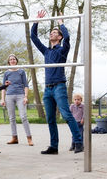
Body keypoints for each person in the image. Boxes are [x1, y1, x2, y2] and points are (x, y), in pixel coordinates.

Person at [30, 10, 83, 154]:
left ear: (59, 37)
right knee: (50, 119)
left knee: (66, 115)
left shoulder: (62, 50)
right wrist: (36, 21)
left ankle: (78, 142)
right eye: (51, 32)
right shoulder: (46, 51)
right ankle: (54, 147)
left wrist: (61, 23)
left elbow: (68, 38)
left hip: (59, 86)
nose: (51, 34)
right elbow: (33, 37)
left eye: (54, 32)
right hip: (47, 89)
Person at [1, 54, 33, 146]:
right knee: (12, 118)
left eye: (14, 59)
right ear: (9, 62)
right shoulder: (6, 73)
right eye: (10, 59)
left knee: (23, 116)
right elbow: (3, 87)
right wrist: (2, 99)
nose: (12, 60)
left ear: (16, 61)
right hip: (9, 96)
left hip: (20, 95)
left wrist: (25, 96)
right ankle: (14, 138)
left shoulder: (21, 72)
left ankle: (29, 138)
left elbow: (26, 85)